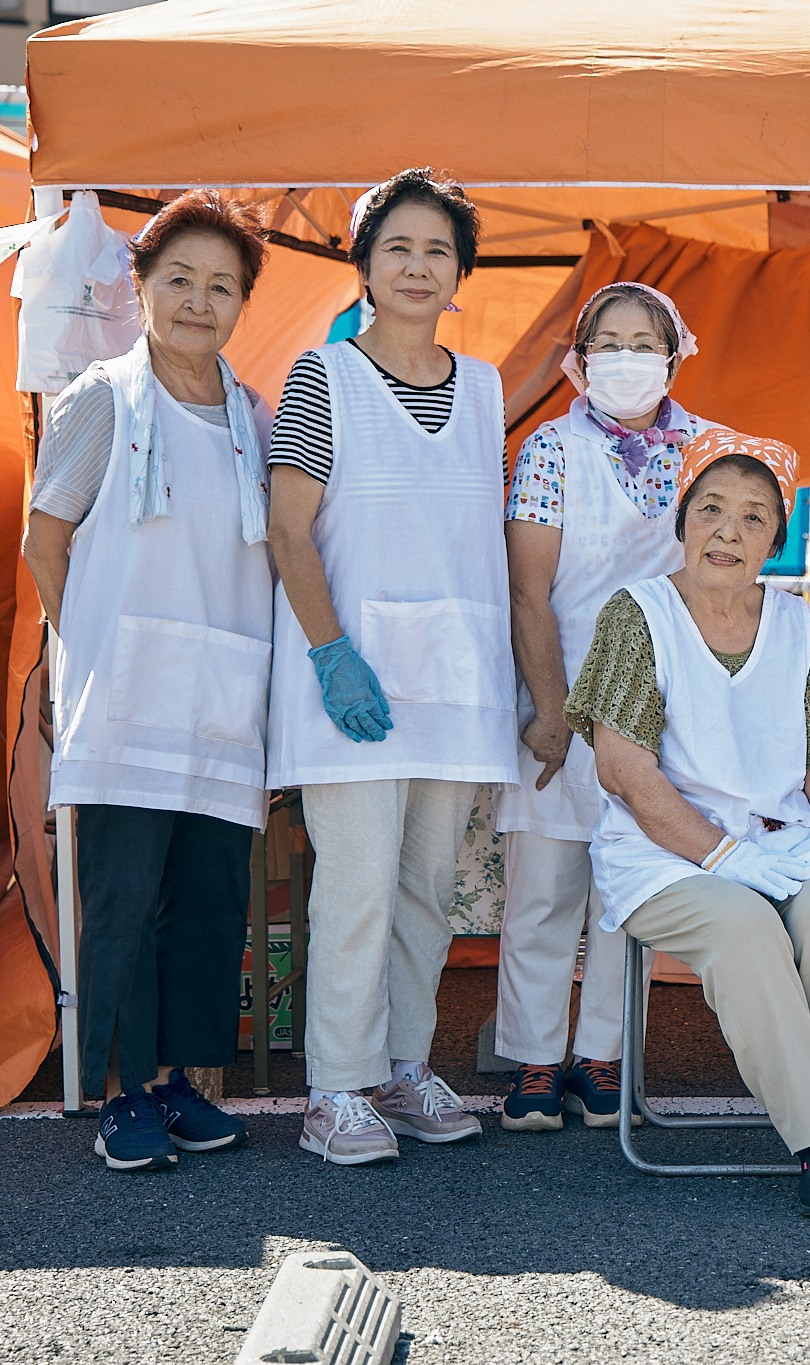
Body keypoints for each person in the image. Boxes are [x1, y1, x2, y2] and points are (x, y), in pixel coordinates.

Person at [569, 427, 810, 1216]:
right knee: (744, 926)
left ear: (776, 536)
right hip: (663, 857)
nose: (728, 532)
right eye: (710, 510)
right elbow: (624, 770)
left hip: (783, 842)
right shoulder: (638, 615)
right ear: (683, 522)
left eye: (753, 517)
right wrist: (724, 854)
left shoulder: (795, 623)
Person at [265, 168, 518, 1166]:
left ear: (460, 274)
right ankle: (335, 1088)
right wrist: (331, 654)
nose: (418, 267)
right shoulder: (320, 376)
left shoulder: (488, 386)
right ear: (364, 266)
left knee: (426, 889)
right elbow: (289, 531)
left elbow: (466, 538)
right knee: (358, 886)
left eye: (437, 252)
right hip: (354, 678)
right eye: (398, 248)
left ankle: (405, 1069)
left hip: (453, 682)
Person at [22, 189, 274, 1171]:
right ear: (141, 287)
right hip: (127, 700)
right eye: (179, 281)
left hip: (222, 702)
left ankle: (177, 1085)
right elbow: (48, 542)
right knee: (121, 901)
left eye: (221, 286)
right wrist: (91, 645)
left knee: (208, 901)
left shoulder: (253, 417)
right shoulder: (103, 396)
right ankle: (119, 1096)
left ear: (244, 302)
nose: (198, 303)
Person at [494, 282, 714, 1132]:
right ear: (580, 362)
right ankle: (535, 1061)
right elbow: (529, 591)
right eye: (609, 343)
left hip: (661, 709)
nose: (628, 358)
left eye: (645, 341)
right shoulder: (549, 448)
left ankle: (602, 1055)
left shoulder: (704, 449)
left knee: (631, 892)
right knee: (543, 890)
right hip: (560, 692)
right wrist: (551, 708)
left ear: (674, 353)